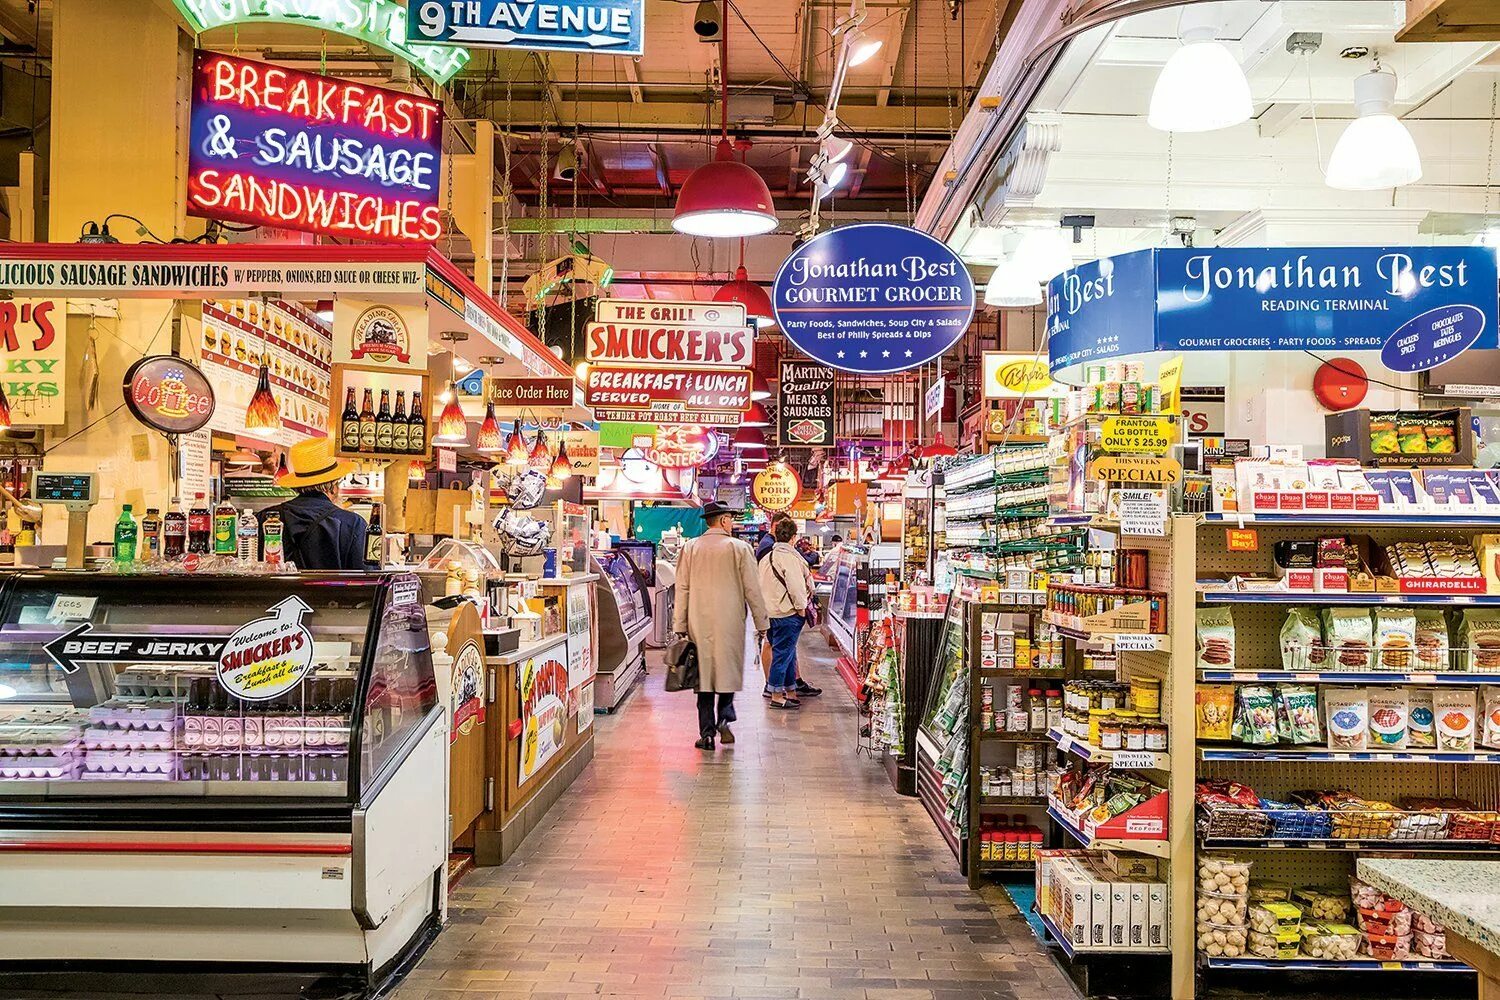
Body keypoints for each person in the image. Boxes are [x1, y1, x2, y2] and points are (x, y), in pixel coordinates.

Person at [672, 501, 769, 750]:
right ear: (724, 520)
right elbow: (753, 590)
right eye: (731, 519)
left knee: (703, 677)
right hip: (730, 621)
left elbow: (681, 588)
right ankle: (725, 717)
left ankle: (706, 734)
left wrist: (679, 624)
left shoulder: (690, 548)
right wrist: (762, 623)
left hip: (698, 621)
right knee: (726, 671)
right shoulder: (740, 548)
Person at [258, 437, 367, 571]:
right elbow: (366, 580)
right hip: (332, 592)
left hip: (272, 592)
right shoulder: (352, 524)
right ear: (333, 486)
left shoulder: (264, 518)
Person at [758, 517, 814, 709]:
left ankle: (790, 691)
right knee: (782, 656)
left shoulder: (768, 557)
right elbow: (797, 587)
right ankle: (776, 695)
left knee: (787, 654)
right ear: (793, 537)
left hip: (770, 614)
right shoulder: (789, 558)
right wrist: (801, 609)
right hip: (786, 614)